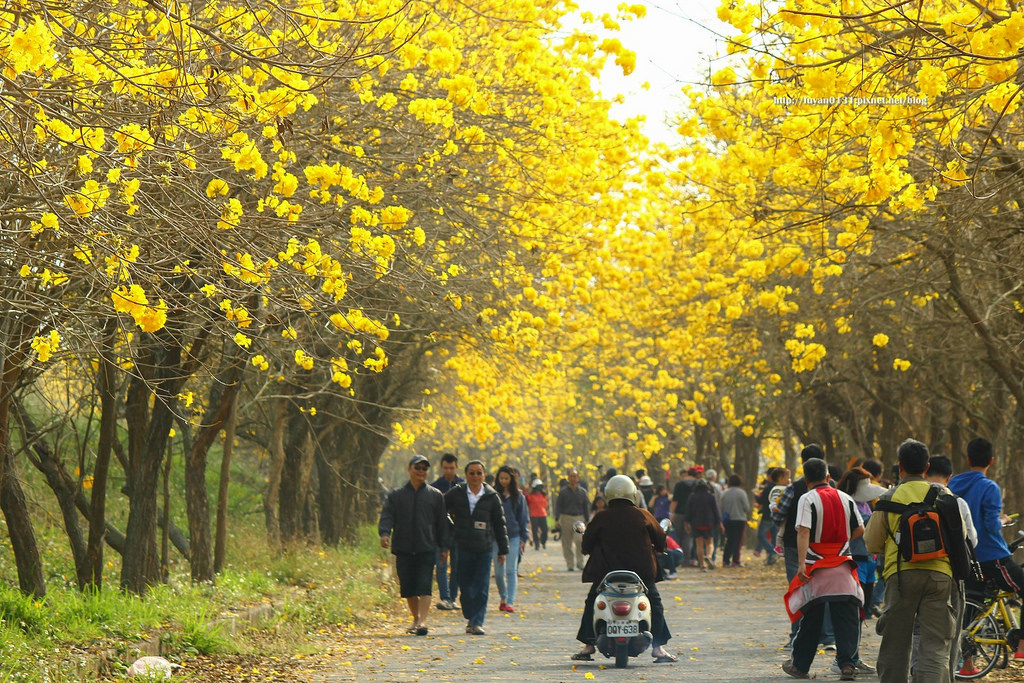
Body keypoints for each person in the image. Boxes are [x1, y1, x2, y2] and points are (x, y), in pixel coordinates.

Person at [865, 439, 957, 682]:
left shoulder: (889, 497)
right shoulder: (943, 494)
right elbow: (961, 536)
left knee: (896, 642)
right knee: (935, 644)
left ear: (899, 466)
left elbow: (872, 543)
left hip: (900, 576)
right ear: (926, 466)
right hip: (940, 575)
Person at [571, 475, 677, 663]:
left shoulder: (601, 517)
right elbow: (661, 541)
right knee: (655, 602)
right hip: (642, 574)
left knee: (592, 601)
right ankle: (658, 648)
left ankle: (588, 645)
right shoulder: (643, 515)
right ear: (632, 494)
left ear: (608, 494)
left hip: (606, 572)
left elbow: (586, 546)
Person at [782, 458, 864, 681]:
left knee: (811, 617)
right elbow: (860, 529)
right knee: (846, 615)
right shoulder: (846, 498)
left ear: (806, 479)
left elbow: (803, 532)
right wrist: (842, 542)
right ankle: (847, 664)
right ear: (829, 478)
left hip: (815, 567)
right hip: (843, 565)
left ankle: (800, 666)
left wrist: (801, 564)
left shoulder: (807, 498)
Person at [948, 438, 1024, 665]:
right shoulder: (989, 487)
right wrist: (1003, 520)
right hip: (993, 556)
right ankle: (1021, 645)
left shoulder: (953, 484)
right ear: (991, 461)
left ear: (968, 459)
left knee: (971, 605)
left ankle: (968, 665)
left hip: (966, 556)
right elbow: (990, 526)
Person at [378, 454, 450, 636]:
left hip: (427, 547)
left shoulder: (435, 496)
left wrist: (444, 547)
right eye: (417, 468)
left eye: (424, 468)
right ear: (409, 469)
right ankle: (416, 618)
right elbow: (387, 516)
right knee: (408, 587)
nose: (421, 471)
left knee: (424, 584)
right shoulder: (397, 495)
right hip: (403, 547)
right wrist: (385, 534)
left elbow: (442, 523)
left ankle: (423, 621)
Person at [773, 445, 836, 651]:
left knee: (798, 587)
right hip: (826, 545)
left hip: (794, 545)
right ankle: (827, 636)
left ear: (803, 464)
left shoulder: (795, 487)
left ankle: (797, 635)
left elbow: (779, 515)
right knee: (826, 588)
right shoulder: (834, 487)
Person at [917, 455, 975, 679]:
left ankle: (915, 671)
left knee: (916, 630)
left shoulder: (910, 497)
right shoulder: (957, 501)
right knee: (949, 632)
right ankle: (946, 676)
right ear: (950, 477)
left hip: (910, 571)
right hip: (948, 575)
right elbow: (971, 539)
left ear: (925, 470)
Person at [831, 467, 887, 676]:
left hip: (870, 564)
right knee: (852, 614)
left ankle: (853, 657)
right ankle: (842, 658)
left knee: (861, 614)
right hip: (855, 564)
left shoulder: (866, 505)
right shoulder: (846, 504)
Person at [444, 460, 509, 635]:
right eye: (472, 473)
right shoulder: (457, 492)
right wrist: (450, 529)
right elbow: (441, 510)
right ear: (466, 475)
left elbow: (499, 524)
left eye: (479, 473)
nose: (475, 476)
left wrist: (503, 549)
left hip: (484, 548)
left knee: (481, 586)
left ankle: (477, 621)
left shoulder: (491, 496)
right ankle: (470, 615)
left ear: (484, 475)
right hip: (462, 546)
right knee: (466, 587)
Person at [493, 465, 529, 613]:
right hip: (496, 537)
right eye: (501, 478)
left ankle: (510, 601)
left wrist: (523, 538)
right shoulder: (493, 495)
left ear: (512, 479)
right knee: (499, 572)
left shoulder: (519, 496)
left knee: (511, 570)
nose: (503, 481)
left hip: (514, 536)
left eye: (506, 478)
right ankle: (503, 596)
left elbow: (523, 518)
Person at [431, 452, 463, 611]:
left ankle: (452, 597)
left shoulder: (463, 486)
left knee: (457, 565)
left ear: (457, 467)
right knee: (441, 565)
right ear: (441, 468)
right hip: (440, 531)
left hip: (459, 532)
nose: (449, 471)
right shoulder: (434, 486)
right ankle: (444, 597)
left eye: (451, 468)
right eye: (446, 468)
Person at [555, 469, 590, 571]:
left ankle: (580, 562)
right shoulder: (563, 492)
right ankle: (570, 564)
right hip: (566, 518)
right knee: (566, 543)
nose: (573, 478)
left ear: (578, 478)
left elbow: (585, 507)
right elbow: (558, 507)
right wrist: (557, 519)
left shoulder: (583, 492)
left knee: (579, 540)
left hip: (579, 518)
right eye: (571, 476)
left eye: (575, 476)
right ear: (568, 478)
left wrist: (587, 520)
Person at [685, 479, 722, 572]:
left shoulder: (692, 496)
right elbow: (716, 510)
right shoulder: (711, 496)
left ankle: (702, 565)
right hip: (709, 523)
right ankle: (708, 556)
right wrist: (719, 523)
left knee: (699, 544)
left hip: (696, 523)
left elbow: (688, 511)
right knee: (709, 543)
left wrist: (686, 522)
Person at [720, 474, 751, 568]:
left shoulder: (724, 492)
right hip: (739, 519)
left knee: (729, 540)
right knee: (738, 540)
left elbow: (721, 507)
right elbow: (746, 507)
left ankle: (725, 560)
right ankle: (735, 561)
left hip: (728, 520)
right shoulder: (742, 493)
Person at [670, 467, 699, 566]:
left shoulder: (679, 484)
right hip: (692, 514)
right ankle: (687, 559)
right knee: (688, 537)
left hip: (678, 513)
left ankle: (679, 559)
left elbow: (675, 500)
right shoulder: (697, 484)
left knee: (679, 536)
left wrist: (671, 513)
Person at [525, 479, 549, 550]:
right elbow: (527, 503)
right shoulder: (530, 496)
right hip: (534, 515)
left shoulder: (544, 495)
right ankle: (537, 544)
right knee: (535, 531)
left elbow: (545, 504)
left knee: (545, 530)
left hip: (543, 515)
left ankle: (543, 541)